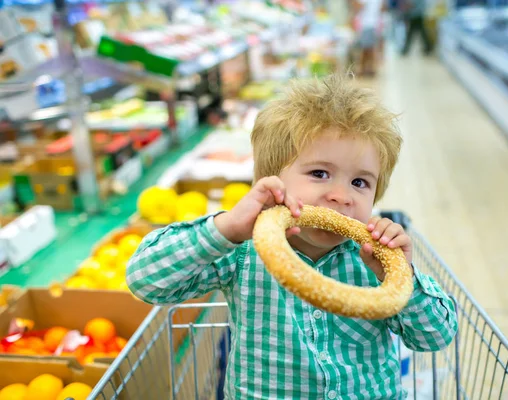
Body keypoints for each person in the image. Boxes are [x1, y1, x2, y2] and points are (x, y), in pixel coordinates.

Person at [126, 74, 458, 399]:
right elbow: (145, 280)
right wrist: (226, 228)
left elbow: (434, 338)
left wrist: (402, 278)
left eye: (360, 182)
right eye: (319, 173)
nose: (341, 196)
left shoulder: (373, 258)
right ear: (272, 179)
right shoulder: (243, 250)